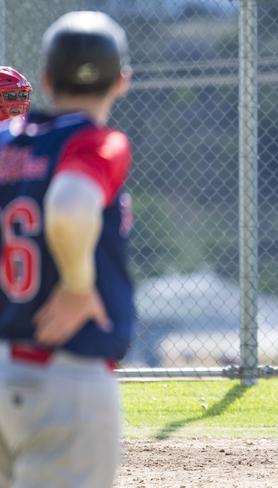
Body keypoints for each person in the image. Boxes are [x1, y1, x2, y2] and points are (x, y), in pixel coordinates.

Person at [0, 11, 134, 488]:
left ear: (47, 79)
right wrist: (78, 286)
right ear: (121, 81)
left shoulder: (4, 148)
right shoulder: (94, 142)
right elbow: (71, 203)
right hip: (68, 374)